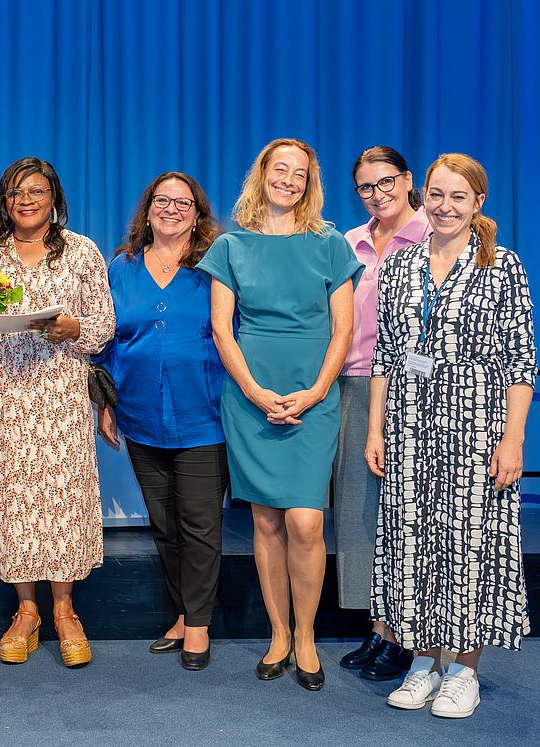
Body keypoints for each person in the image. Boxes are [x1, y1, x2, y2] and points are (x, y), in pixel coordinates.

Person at [367, 154, 534, 718]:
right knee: (411, 545)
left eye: (458, 197)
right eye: (436, 195)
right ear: (423, 197)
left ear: (478, 203)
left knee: (469, 550)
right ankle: (422, 662)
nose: (444, 207)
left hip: (477, 430)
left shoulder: (502, 267)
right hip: (410, 429)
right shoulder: (400, 266)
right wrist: (376, 432)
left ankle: (464, 670)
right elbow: (387, 358)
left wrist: (513, 441)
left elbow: (521, 364)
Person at [197, 138, 362, 691]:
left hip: (314, 397)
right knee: (265, 519)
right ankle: (279, 636)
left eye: (300, 172)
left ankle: (308, 635)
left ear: (310, 183)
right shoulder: (231, 246)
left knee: (306, 520)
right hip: (251, 399)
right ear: (261, 173)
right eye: (279, 168)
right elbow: (223, 329)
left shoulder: (331, 244)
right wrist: (254, 391)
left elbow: (344, 330)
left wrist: (316, 392)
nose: (288, 179)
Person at [0, 157, 115, 668]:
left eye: (36, 191)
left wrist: (73, 328)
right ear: (4, 201)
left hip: (59, 395)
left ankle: (66, 611)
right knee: (13, 498)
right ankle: (26, 611)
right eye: (15, 192)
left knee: (60, 500)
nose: (25, 200)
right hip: (3, 394)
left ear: (54, 198)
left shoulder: (82, 252)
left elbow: (104, 327)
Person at [96, 172, 229, 671]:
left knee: (199, 524)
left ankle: (198, 625)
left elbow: (234, 332)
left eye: (183, 202)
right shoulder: (122, 268)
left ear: (198, 213)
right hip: (140, 416)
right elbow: (107, 342)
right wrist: (104, 401)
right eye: (162, 200)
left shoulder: (216, 267)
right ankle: (181, 613)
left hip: (204, 416)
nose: (172, 208)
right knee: (166, 525)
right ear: (147, 209)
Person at [335, 147, 430, 681]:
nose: (378, 194)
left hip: (414, 388)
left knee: (409, 514)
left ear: (408, 179)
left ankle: (408, 631)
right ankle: (380, 627)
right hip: (352, 385)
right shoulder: (349, 243)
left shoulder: (434, 235)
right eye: (367, 187)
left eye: (386, 182)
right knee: (362, 511)